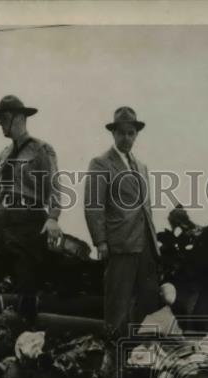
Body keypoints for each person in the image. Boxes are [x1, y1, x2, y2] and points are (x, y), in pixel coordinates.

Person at [0, 94, 64, 320]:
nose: (0, 124)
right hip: (2, 217)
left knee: (27, 279)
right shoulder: (4, 154)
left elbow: (55, 186)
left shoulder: (41, 150)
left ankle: (27, 333)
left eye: (3, 118)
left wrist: (53, 218)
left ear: (18, 118)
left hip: (29, 217)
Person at [84, 107, 163, 350]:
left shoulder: (141, 166)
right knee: (117, 306)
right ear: (114, 134)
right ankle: (113, 361)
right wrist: (101, 242)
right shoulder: (100, 163)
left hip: (145, 245)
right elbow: (93, 205)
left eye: (131, 133)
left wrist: (154, 240)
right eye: (122, 133)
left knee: (148, 302)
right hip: (120, 245)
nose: (126, 138)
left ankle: (140, 356)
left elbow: (144, 207)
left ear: (136, 135)